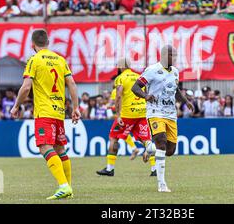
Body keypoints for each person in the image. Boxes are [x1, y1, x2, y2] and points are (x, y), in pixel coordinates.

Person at [10, 29, 81, 200]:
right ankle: (68, 187)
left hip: (44, 111)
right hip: (58, 112)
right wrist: (76, 107)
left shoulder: (34, 60)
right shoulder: (60, 59)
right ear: (48, 42)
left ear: (32, 45)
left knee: (44, 147)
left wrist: (16, 106)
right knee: (59, 148)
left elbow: (26, 87)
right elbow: (71, 83)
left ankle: (63, 186)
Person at [132, 45, 194, 193]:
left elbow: (176, 90)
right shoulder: (152, 70)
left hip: (171, 114)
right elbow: (135, 87)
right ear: (165, 55)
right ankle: (161, 184)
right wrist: (146, 96)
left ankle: (149, 149)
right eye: (173, 55)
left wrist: (186, 101)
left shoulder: (175, 72)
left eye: (176, 55)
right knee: (161, 142)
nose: (175, 58)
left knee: (170, 150)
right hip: (155, 112)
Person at [96, 58, 156, 177]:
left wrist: (118, 115)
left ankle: (110, 168)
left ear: (120, 67)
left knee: (113, 138)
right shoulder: (139, 76)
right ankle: (154, 169)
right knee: (146, 141)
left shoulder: (121, 78)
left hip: (128, 114)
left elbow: (118, 96)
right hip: (142, 112)